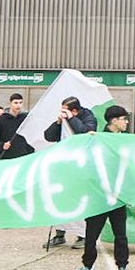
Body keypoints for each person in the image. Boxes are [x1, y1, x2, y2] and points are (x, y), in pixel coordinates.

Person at [69, 105, 134, 270]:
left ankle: (122, 267)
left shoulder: (125, 141)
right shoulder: (97, 139)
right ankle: (87, 266)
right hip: (99, 196)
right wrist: (88, 139)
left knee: (120, 234)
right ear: (114, 121)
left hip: (118, 197)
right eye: (124, 119)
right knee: (91, 235)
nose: (127, 122)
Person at [42, 97, 94, 247]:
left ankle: (83, 235)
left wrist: (71, 119)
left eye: (65, 110)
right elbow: (48, 136)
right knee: (60, 198)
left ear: (74, 111)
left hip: (81, 165)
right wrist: (58, 123)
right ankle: (60, 234)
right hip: (63, 164)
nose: (62, 112)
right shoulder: (63, 120)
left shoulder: (88, 118)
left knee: (79, 199)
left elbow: (85, 132)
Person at [0, 93, 34, 161]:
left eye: (20, 103)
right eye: (16, 103)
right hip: (6, 157)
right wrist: (2, 145)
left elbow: (31, 136)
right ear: (10, 103)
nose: (18, 105)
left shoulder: (25, 119)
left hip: (23, 156)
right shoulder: (0, 120)